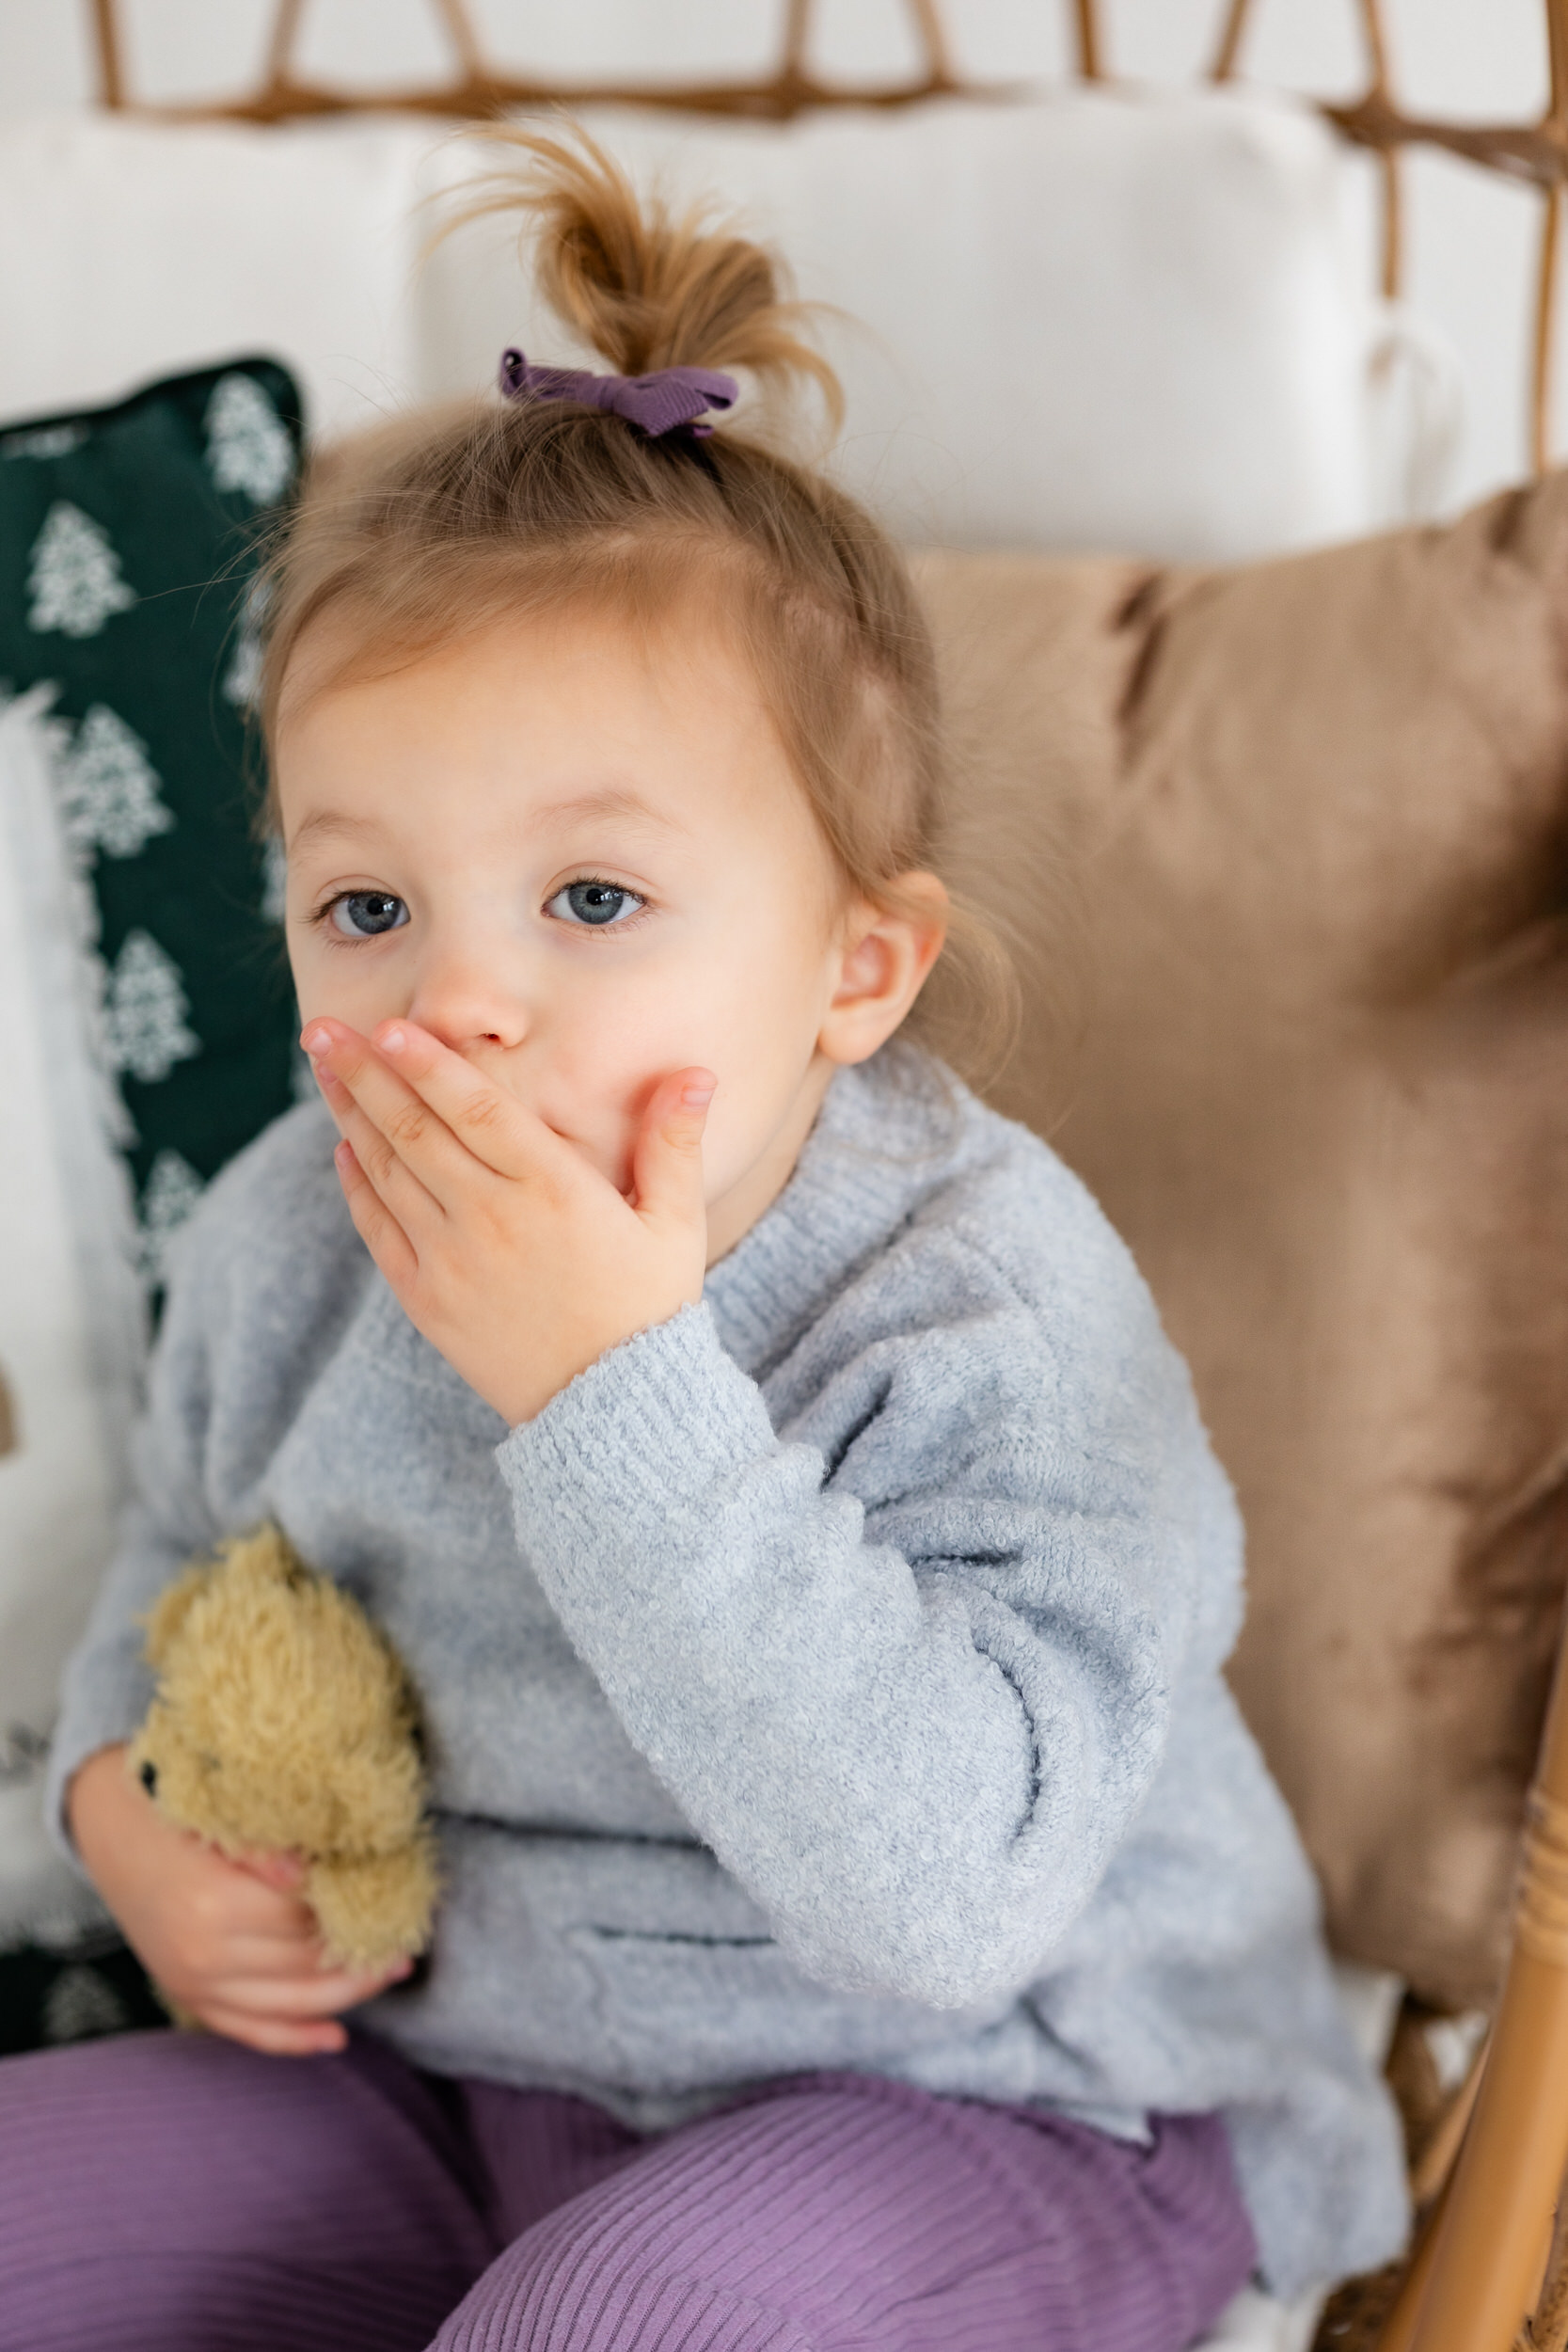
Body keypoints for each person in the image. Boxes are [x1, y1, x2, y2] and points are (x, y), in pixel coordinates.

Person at [0, 128, 1405, 2352]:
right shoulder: (299, 1221)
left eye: (591, 900)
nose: (455, 999)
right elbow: (182, 1572)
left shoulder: (978, 1297)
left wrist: (612, 1389)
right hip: (462, 2073)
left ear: (855, 970)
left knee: (610, 2322)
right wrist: (125, 1818)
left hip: (997, 2089)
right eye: (367, 905)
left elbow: (949, 1895)